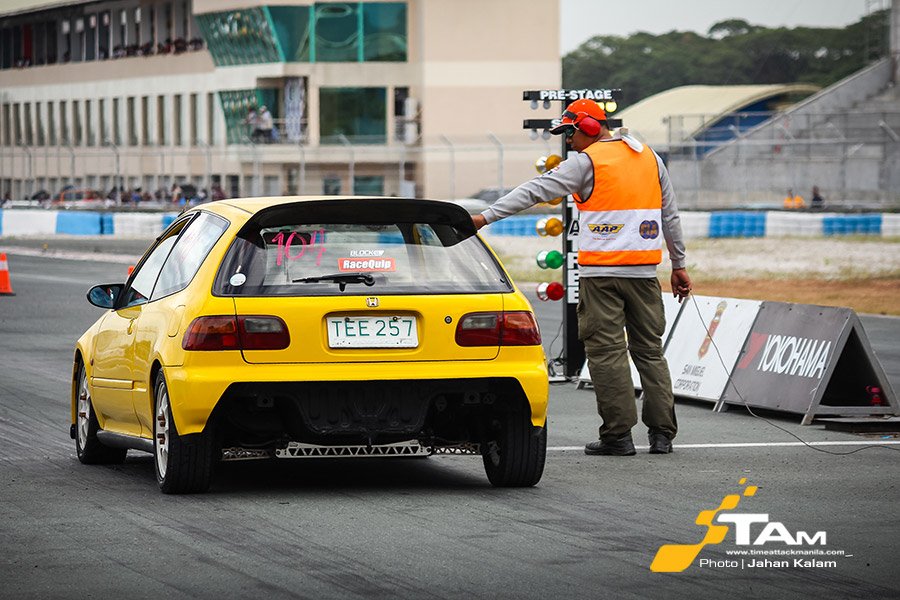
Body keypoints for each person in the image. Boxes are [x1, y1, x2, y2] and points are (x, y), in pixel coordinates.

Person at [472, 99, 691, 456]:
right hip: (645, 275)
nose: (568, 141)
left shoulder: (586, 162)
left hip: (600, 277)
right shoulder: (651, 157)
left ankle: (618, 436)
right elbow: (671, 216)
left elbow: (535, 190)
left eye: (569, 132)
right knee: (650, 352)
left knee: (606, 353)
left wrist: (485, 217)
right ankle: (662, 435)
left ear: (588, 127)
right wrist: (678, 265)